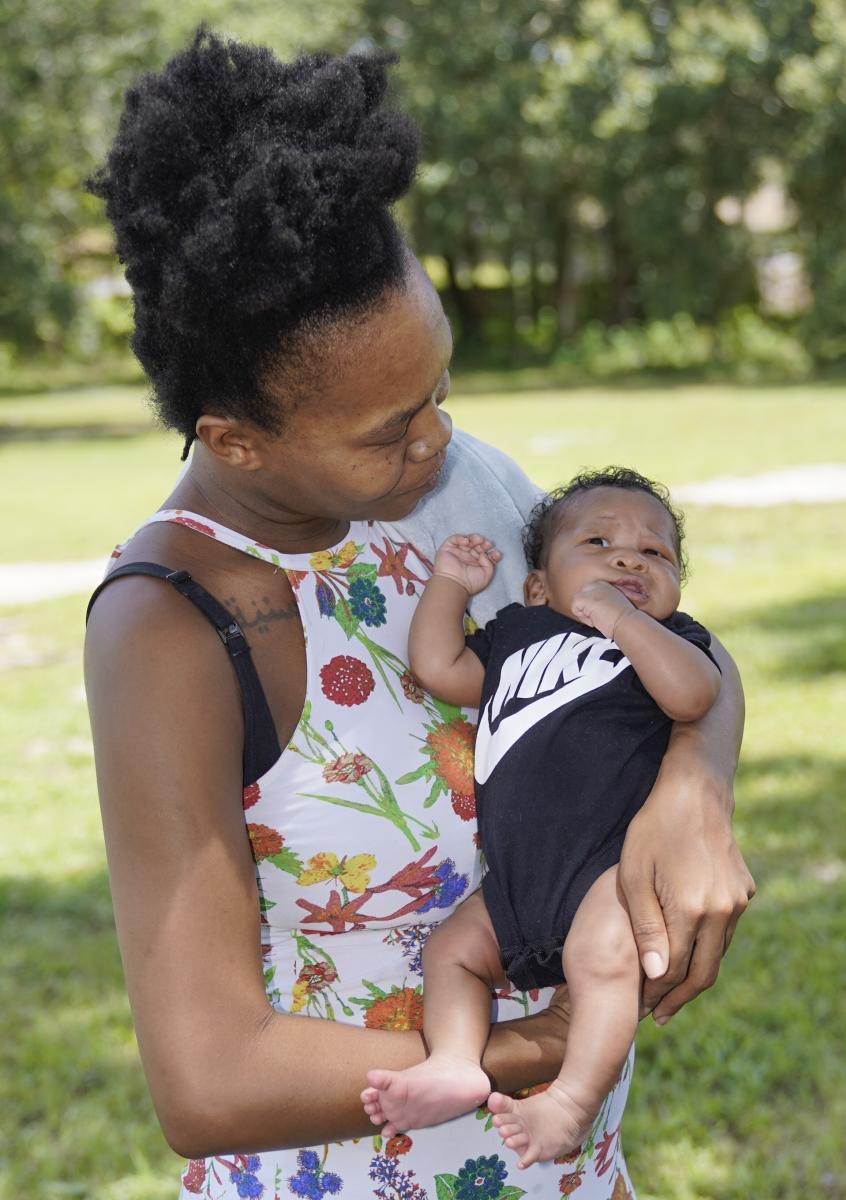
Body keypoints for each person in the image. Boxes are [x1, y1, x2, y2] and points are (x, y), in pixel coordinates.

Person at [83, 29, 754, 1200]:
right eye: (388, 428)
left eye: (436, 389)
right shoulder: (176, 628)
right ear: (233, 436)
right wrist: (538, 1052)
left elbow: (653, 639)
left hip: (566, 1170)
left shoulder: (462, 485)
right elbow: (207, 1080)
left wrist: (700, 775)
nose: (436, 441)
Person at [361, 470, 722, 1167]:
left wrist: (625, 621)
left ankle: (572, 1101)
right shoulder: (518, 635)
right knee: (453, 953)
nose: (629, 559)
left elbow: (693, 695)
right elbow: (440, 666)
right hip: (515, 882)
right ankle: (457, 1062)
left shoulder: (666, 640)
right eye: (599, 542)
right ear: (537, 588)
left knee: (604, 959)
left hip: (605, 870)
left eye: (656, 554)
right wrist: (450, 585)